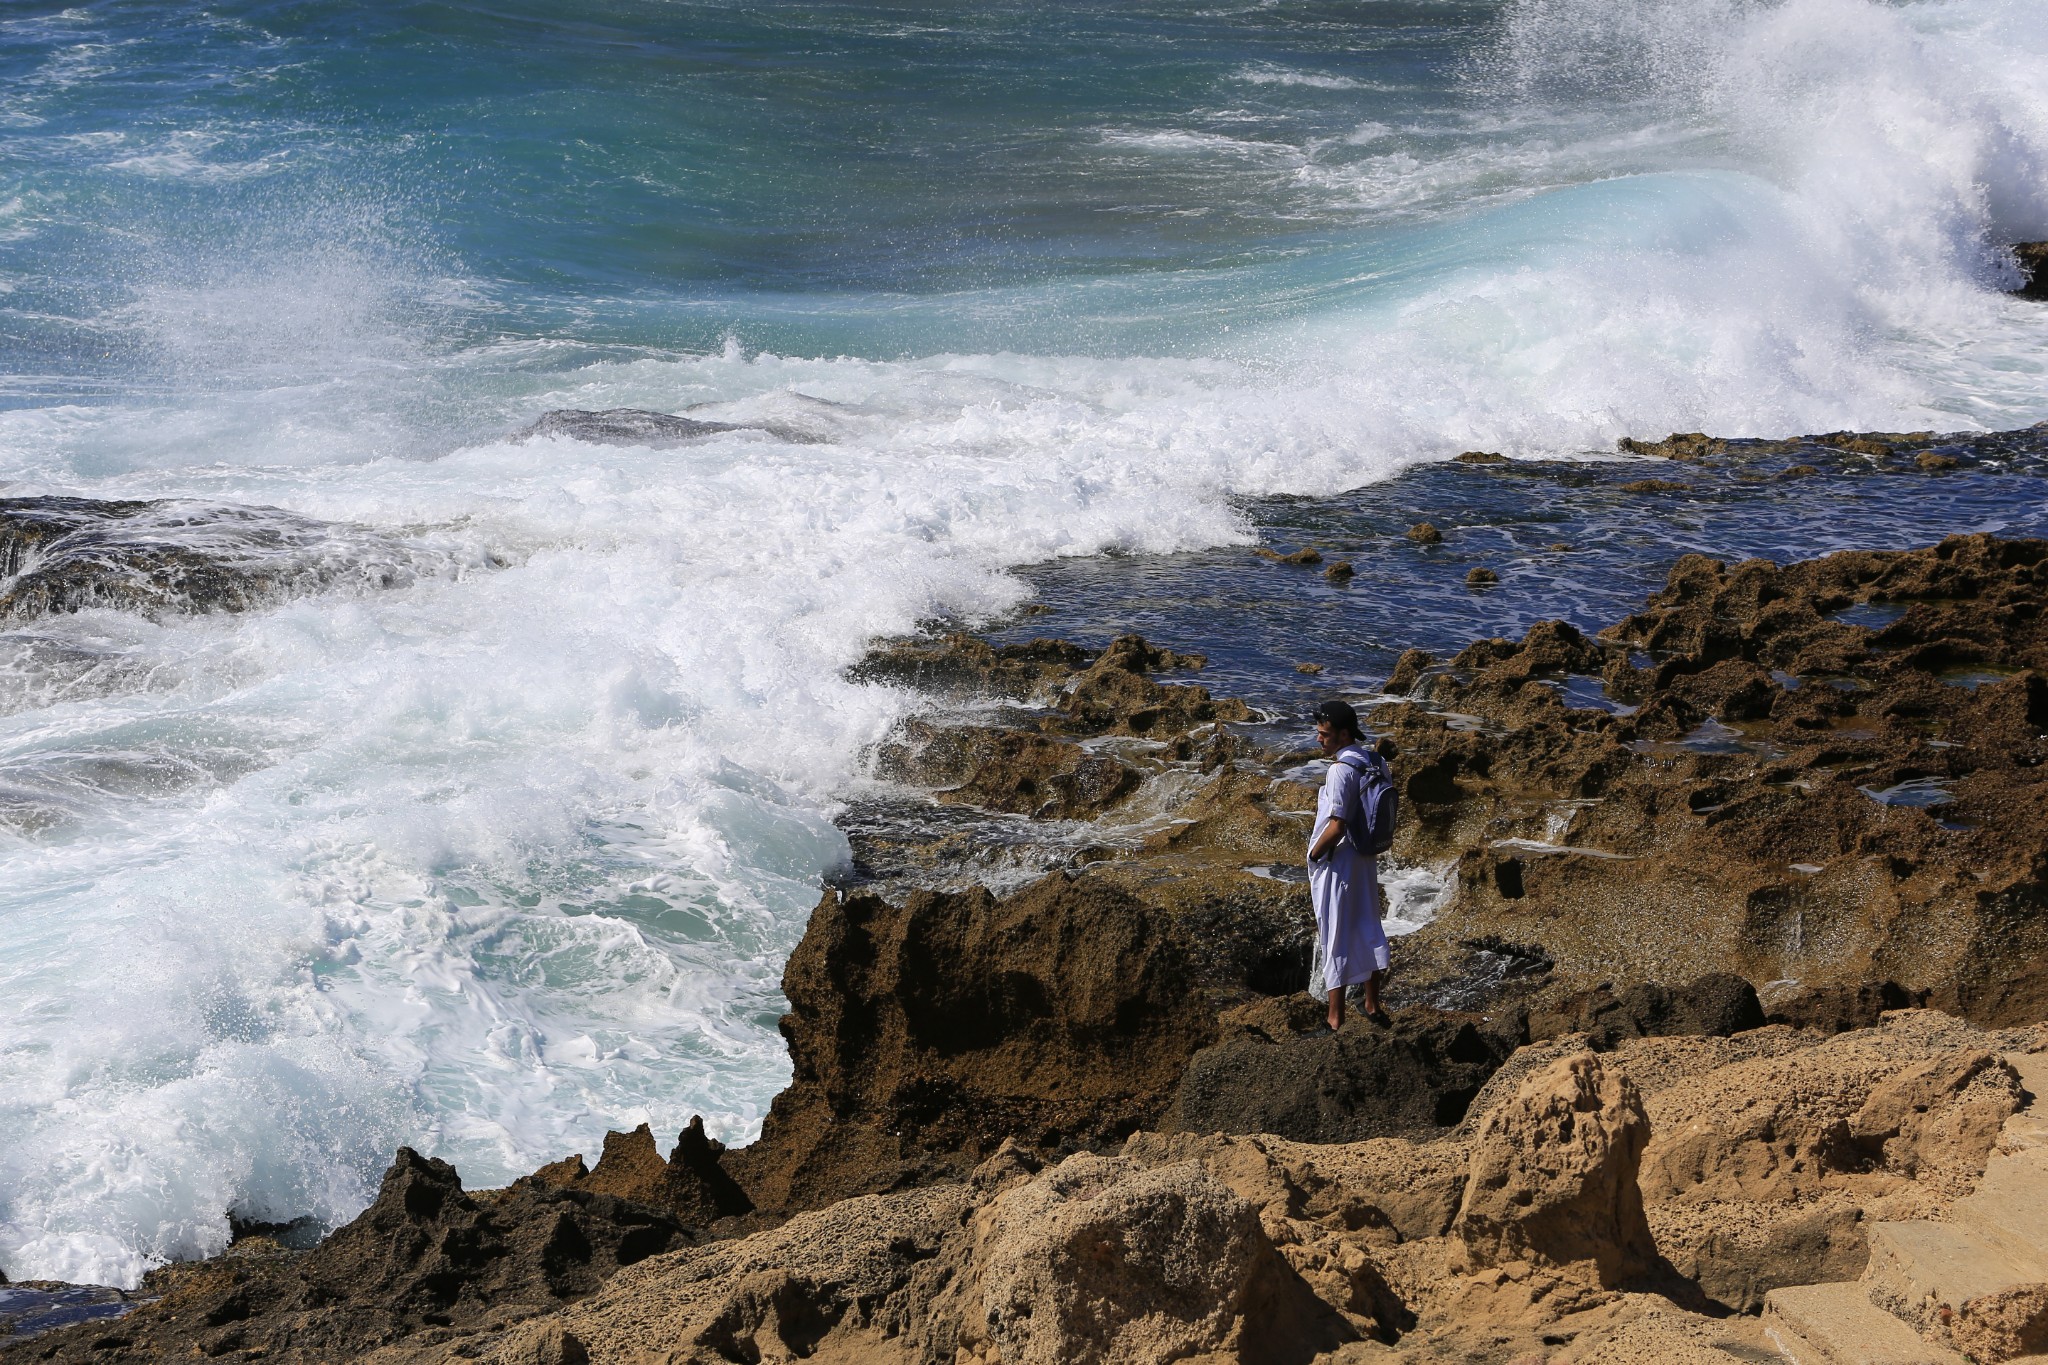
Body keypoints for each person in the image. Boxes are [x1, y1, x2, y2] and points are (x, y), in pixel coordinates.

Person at [1307, 699, 1391, 1030]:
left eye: (1324, 734)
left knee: (1335, 932)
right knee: (1367, 923)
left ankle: (1334, 1018)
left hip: (1339, 860)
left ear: (1343, 734)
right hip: (1365, 857)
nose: (1319, 739)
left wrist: (1315, 853)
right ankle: (1371, 1004)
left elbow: (1337, 824)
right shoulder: (1376, 761)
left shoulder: (1341, 770)